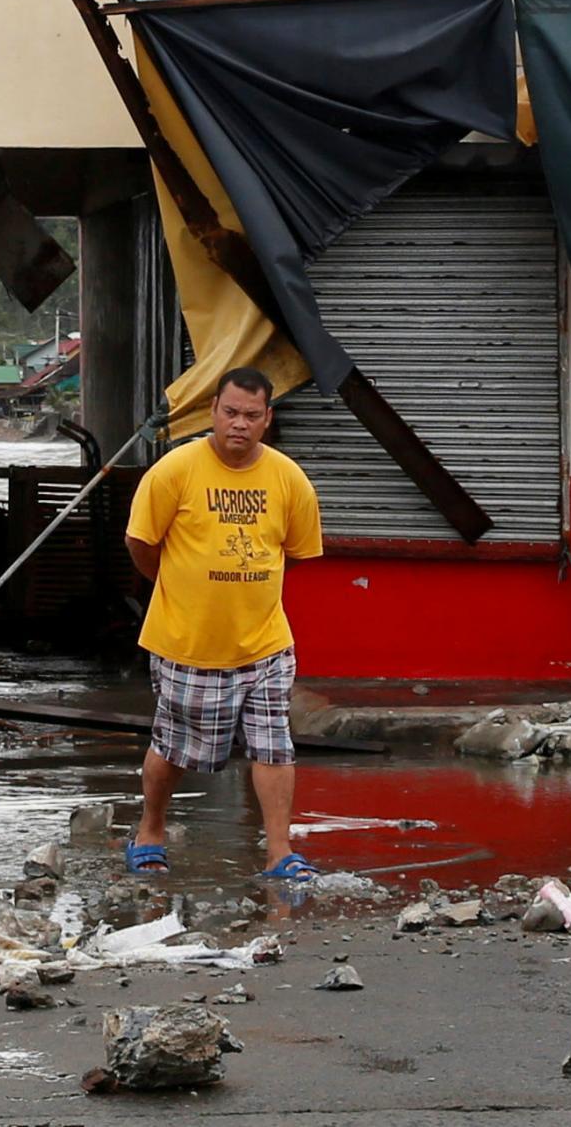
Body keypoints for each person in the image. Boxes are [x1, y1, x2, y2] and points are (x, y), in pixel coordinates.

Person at [121, 365, 323, 882]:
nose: (239, 424)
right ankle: (150, 829)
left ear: (267, 419)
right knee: (175, 746)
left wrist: (248, 585)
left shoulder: (288, 478)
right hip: (186, 642)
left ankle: (280, 852)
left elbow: (296, 553)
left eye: (251, 415)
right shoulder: (174, 471)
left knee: (275, 744)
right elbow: (141, 544)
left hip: (266, 643)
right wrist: (178, 586)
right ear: (212, 411)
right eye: (230, 412)